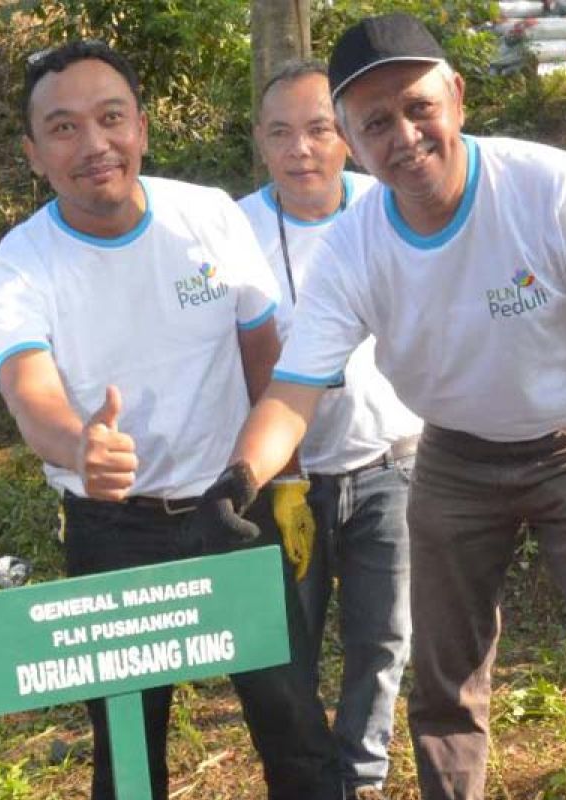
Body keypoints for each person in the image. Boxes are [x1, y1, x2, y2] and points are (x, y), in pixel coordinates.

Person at [190, 13, 566, 800]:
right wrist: (239, 477)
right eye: (376, 122)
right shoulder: (355, 246)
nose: (405, 136)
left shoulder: (548, 186)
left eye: (418, 107)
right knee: (444, 674)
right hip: (453, 455)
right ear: (351, 136)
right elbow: (294, 388)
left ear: (456, 95)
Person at [0, 40, 339, 800]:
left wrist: (289, 482)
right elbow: (30, 393)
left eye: (111, 118)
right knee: (129, 755)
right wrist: (80, 444)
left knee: (295, 725)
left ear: (141, 125)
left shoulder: (205, 217)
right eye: (64, 128)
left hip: (233, 508)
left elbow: (264, 357)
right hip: (114, 530)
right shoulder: (17, 268)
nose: (95, 144)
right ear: (33, 152)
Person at [237, 58, 422, 800]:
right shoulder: (235, 229)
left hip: (392, 462)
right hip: (289, 476)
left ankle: (362, 778)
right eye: (281, 133)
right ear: (260, 143)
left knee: (384, 638)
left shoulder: (392, 207)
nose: (300, 150)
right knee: (288, 647)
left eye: (318, 129)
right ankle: (304, 781)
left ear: (346, 135)